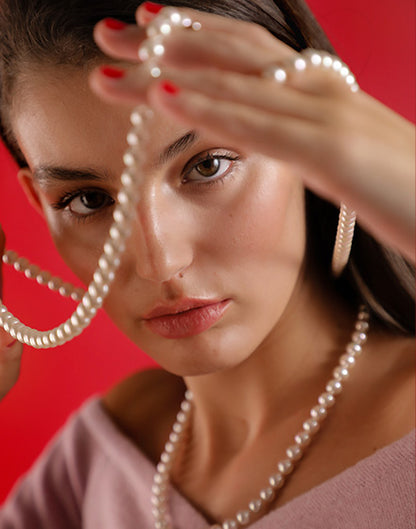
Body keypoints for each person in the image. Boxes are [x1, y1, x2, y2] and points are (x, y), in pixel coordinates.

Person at [0, 0, 414, 527]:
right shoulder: (102, 455)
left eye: (207, 166)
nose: (159, 263)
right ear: (40, 204)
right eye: (88, 200)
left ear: (309, 139)